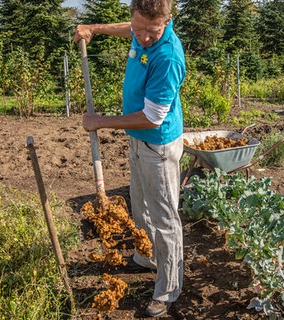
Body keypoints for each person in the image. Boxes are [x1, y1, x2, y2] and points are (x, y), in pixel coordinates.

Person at [74, 0, 186, 317]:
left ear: (167, 21)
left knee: (165, 219)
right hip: (138, 140)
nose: (143, 38)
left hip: (159, 146)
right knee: (140, 203)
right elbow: (131, 31)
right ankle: (148, 256)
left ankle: (168, 288)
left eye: (152, 32)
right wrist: (94, 28)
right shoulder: (141, 30)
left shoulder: (168, 57)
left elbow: (152, 117)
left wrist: (101, 122)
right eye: (138, 28)